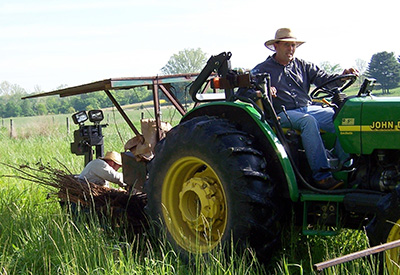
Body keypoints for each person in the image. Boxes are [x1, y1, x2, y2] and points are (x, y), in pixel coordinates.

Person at [251, 28, 358, 190]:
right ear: (276, 46)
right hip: (282, 113)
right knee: (308, 121)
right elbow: (246, 89)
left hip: (307, 108)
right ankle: (322, 176)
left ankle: (344, 167)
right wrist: (262, 90)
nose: (291, 49)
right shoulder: (262, 69)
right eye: (287, 45)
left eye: (293, 45)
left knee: (341, 117)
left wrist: (342, 76)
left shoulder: (303, 66)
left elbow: (327, 80)